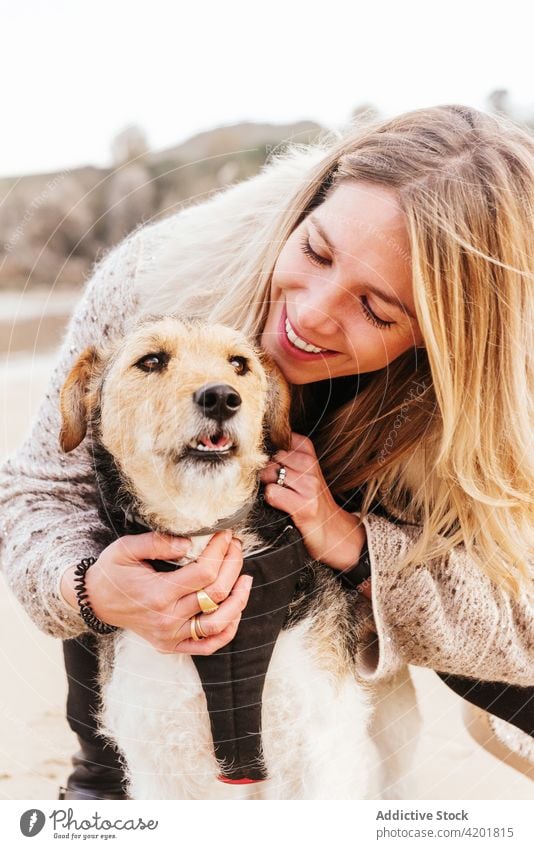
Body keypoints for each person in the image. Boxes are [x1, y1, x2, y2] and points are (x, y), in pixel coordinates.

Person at [0, 104, 533, 799]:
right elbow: (41, 489)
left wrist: (356, 544)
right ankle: (101, 771)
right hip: (152, 608)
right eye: (315, 251)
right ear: (307, 205)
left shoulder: (500, 405)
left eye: (376, 308)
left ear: (443, 342)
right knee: (134, 480)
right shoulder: (150, 286)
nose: (309, 314)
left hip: (377, 593)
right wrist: (93, 587)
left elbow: (522, 621)